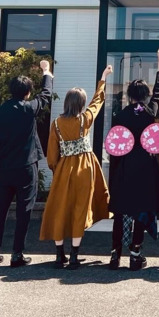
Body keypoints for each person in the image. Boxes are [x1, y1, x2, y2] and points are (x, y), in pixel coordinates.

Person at [40, 66, 111, 269]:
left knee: (60, 208)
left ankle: (59, 255)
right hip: (85, 167)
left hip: (64, 168)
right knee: (80, 209)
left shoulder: (56, 124)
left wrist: (57, 169)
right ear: (81, 104)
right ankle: (74, 256)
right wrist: (103, 79)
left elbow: (51, 153)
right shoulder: (84, 119)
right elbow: (97, 102)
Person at [0, 59, 53, 267]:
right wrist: (46, 72)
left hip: (5, 168)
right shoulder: (29, 109)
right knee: (24, 210)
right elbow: (46, 94)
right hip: (26, 166)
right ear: (27, 93)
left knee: (0, 210)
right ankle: (17, 253)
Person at [108, 49, 159, 271]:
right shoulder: (150, 112)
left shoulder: (120, 115)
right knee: (141, 210)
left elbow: (114, 146)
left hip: (124, 167)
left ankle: (115, 254)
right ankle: (135, 254)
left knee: (121, 209)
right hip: (145, 168)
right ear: (145, 95)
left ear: (130, 95)